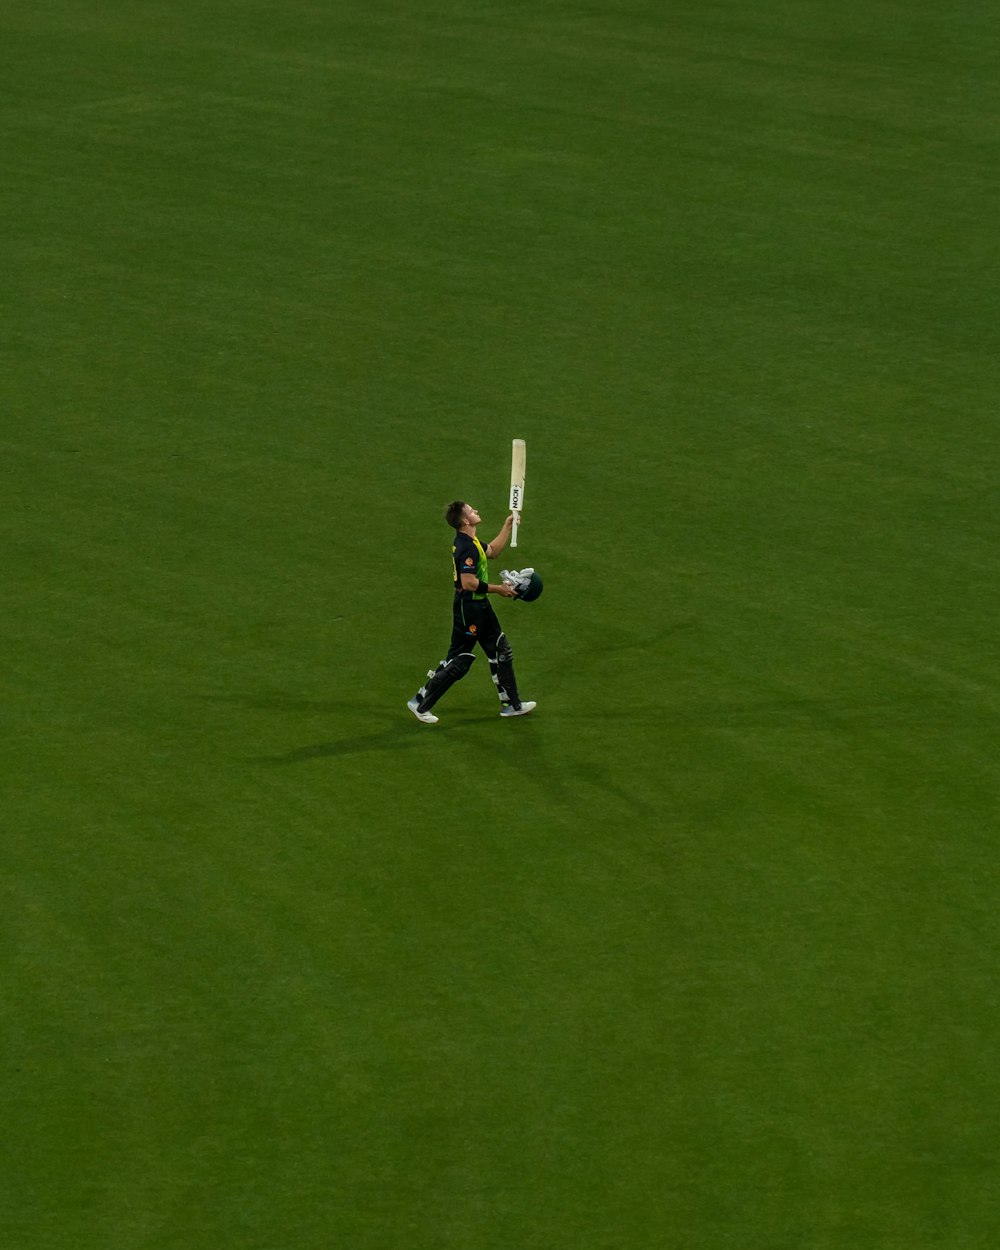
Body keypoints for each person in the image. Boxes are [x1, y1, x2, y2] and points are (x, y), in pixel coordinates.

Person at [407, 501, 537, 724]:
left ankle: (511, 705)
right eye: (471, 510)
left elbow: (493, 552)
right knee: (459, 661)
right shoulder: (465, 547)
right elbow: (468, 583)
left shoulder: (471, 541)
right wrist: (499, 589)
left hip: (480, 606)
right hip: (469, 608)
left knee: (500, 649)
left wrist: (508, 526)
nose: (476, 510)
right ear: (465, 521)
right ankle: (421, 703)